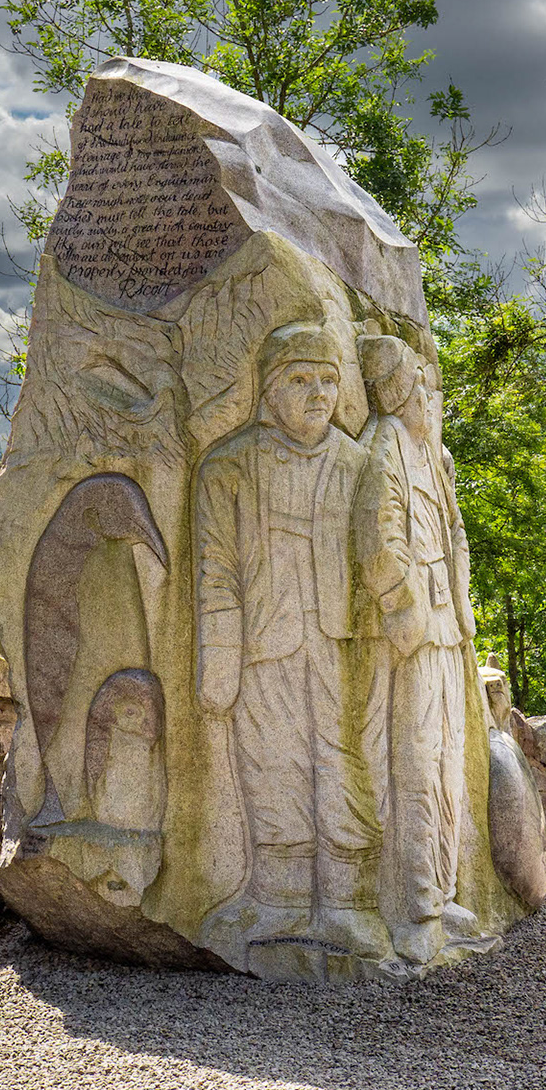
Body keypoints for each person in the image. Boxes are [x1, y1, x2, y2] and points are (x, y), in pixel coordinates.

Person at [194, 323, 389, 959]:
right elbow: (214, 569)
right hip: (261, 645)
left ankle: (349, 904)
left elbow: (385, 552)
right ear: (269, 389)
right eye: (300, 380)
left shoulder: (360, 463)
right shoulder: (228, 465)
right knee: (270, 761)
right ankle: (277, 901)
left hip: (341, 641)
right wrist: (217, 666)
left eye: (329, 380)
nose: (318, 393)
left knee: (343, 761)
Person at [355, 334, 477, 964]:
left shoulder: (433, 455)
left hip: (447, 630)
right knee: (414, 768)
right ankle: (413, 908)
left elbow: (454, 532)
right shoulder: (384, 448)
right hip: (414, 638)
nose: (434, 400)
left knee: (448, 763)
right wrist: (412, 621)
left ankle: (444, 890)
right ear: (401, 392)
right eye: (424, 389)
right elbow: (379, 545)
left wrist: (458, 612)